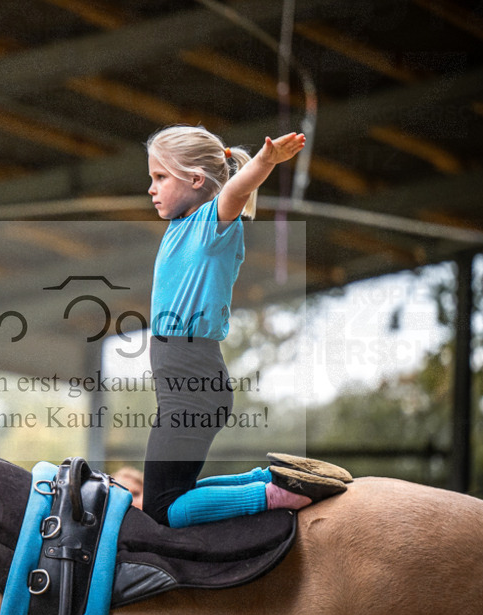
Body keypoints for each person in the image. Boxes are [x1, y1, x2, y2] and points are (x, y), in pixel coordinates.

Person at [142, 124, 350, 528]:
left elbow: (234, 193)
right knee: (174, 493)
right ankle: (266, 480)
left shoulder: (211, 225)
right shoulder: (181, 227)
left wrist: (263, 162)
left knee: (161, 509)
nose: (151, 188)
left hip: (193, 385)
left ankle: (272, 495)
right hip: (186, 387)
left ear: (197, 180)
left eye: (160, 177)